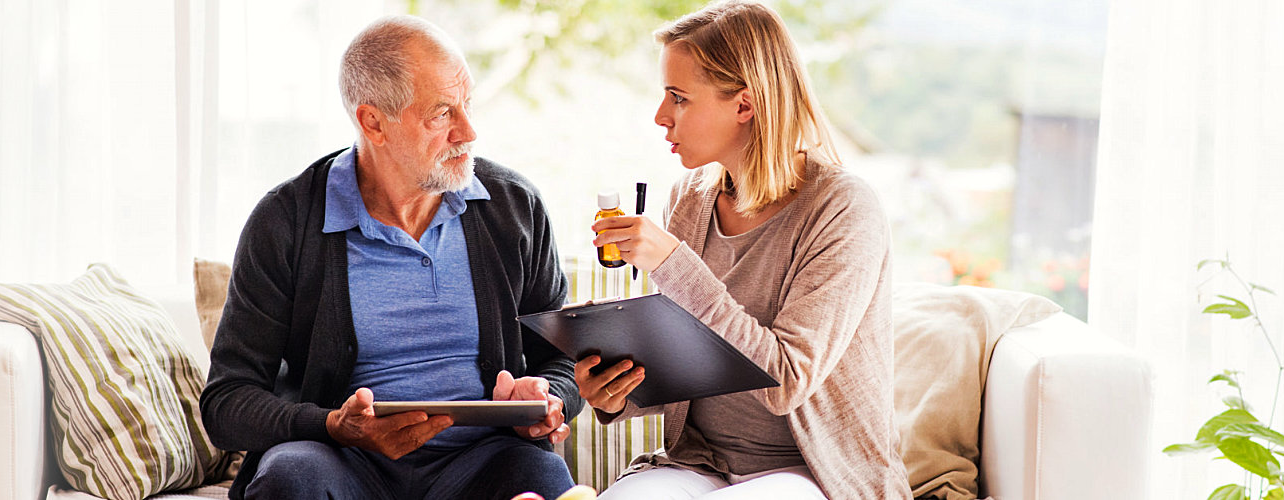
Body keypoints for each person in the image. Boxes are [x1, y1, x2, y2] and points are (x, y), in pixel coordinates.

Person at [199, 15, 580, 500]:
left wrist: (547, 399)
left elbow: (562, 362)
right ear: (373, 122)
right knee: (290, 477)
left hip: (484, 459)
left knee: (543, 480)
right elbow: (227, 403)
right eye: (442, 113)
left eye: (467, 105)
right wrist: (333, 425)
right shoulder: (285, 220)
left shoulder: (514, 206)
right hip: (343, 461)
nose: (468, 131)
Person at [583, 1, 907, 498]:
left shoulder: (843, 208)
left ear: (744, 105)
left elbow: (785, 382)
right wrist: (615, 394)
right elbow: (688, 358)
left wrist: (674, 264)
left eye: (679, 97)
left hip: (813, 472)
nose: (660, 116)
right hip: (698, 462)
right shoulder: (688, 198)